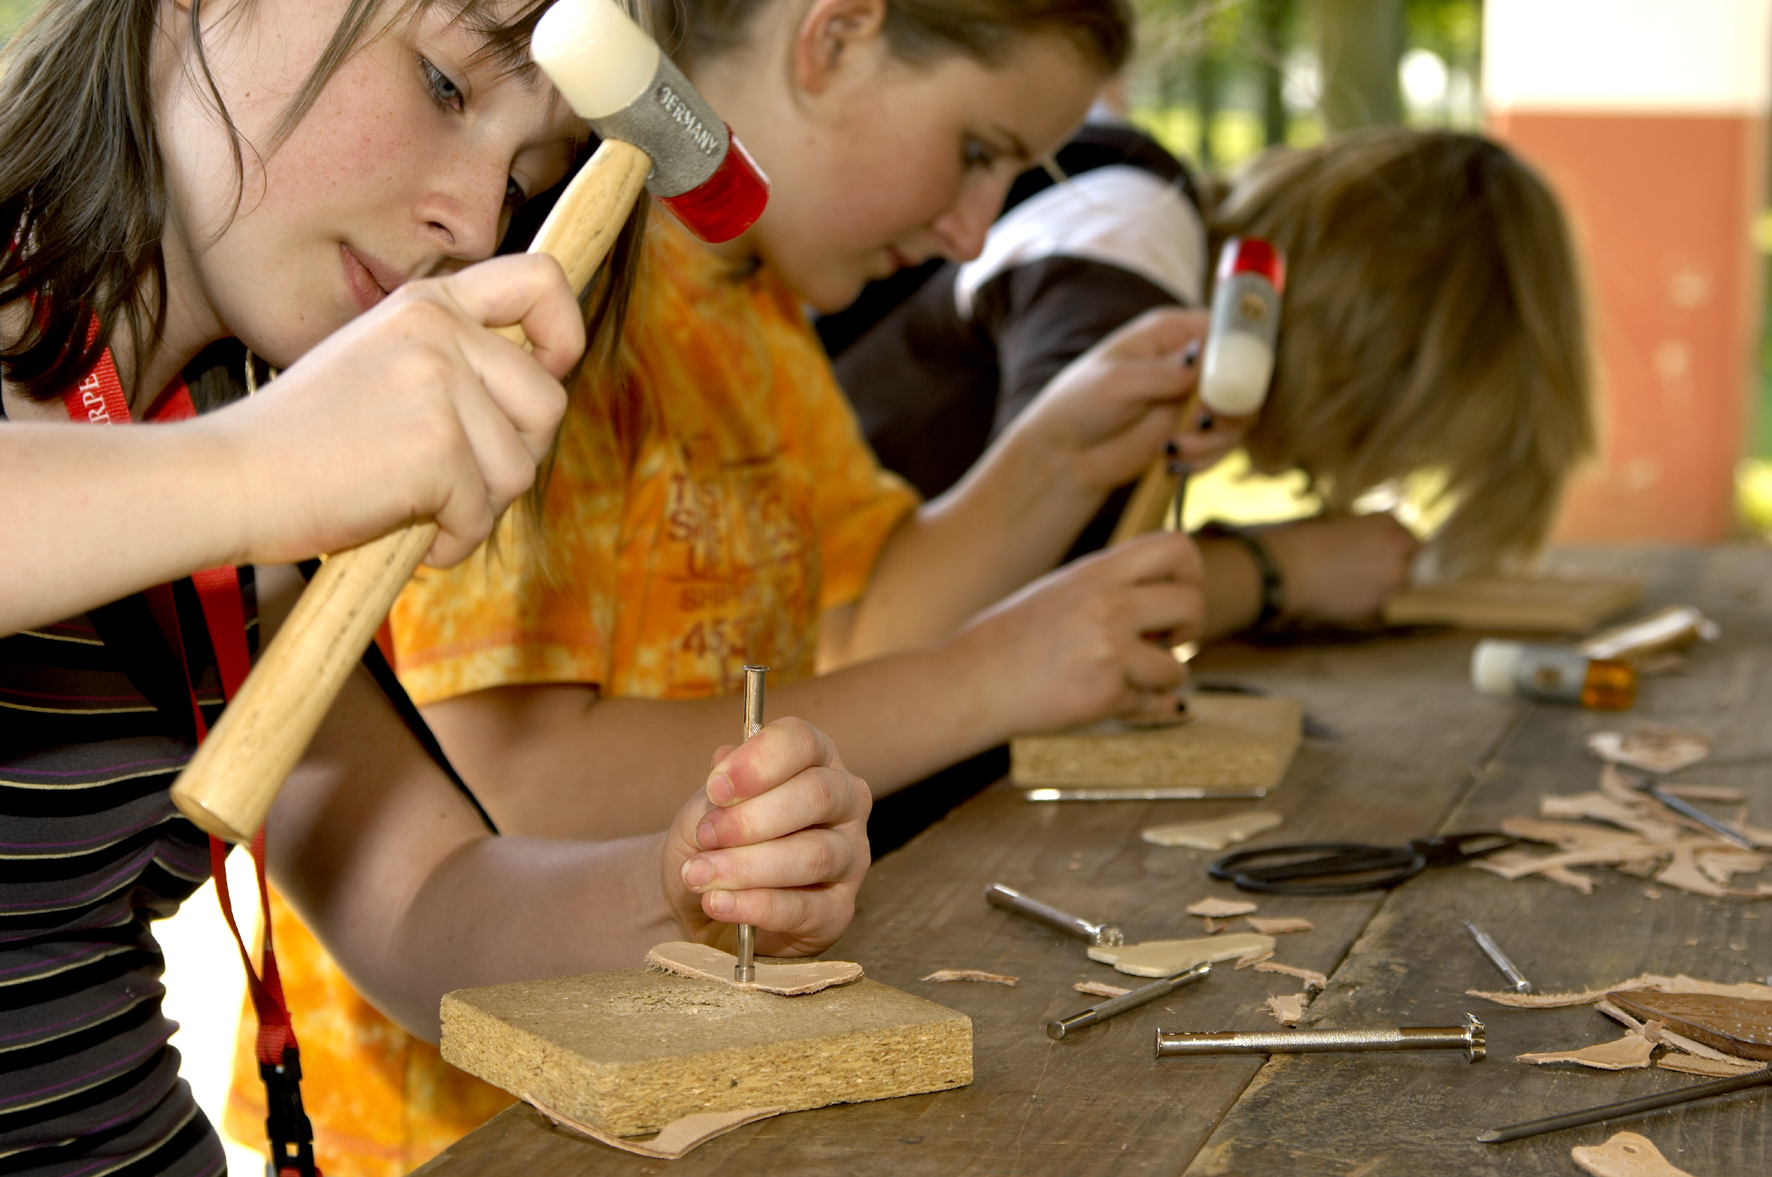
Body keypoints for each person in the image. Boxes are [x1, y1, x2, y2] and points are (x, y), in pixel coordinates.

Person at [230, 0, 1217, 1170]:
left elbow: (851, 628)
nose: (971, 234)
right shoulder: (558, 298)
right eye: (975, 153)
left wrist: (1057, 453)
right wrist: (986, 681)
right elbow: (503, 785)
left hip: (698, 1081)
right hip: (470, 1121)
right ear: (834, 37)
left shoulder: (755, 305)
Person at [0, 3, 871, 1175]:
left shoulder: (221, 441)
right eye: (444, 85)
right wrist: (262, 468)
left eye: (527, 178)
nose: (467, 222)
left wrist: (686, 891)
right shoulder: (245, 464)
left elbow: (420, 907)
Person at [826, 119, 1595, 632]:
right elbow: (1038, 626)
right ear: (1365, 371)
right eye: (1381, 445)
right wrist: (1279, 571)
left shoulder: (1137, 216)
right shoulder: (1123, 259)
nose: (1331, 475)